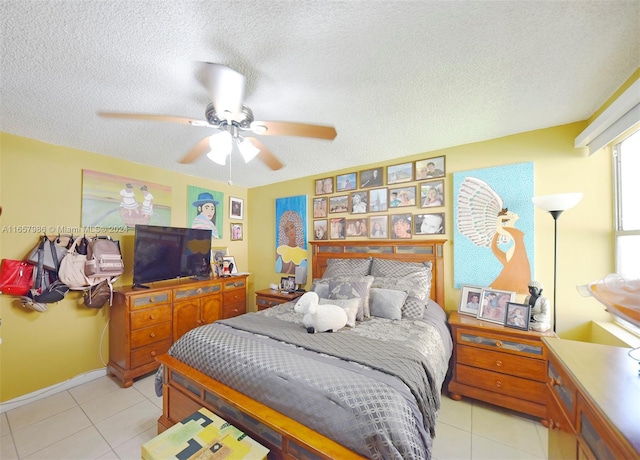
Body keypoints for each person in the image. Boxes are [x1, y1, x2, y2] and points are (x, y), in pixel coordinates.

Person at [490, 208, 532, 294]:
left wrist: (509, 217)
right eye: (511, 214)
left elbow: (515, 218)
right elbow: (499, 229)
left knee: (521, 269)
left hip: (519, 251)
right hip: (515, 251)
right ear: (508, 217)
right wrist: (500, 218)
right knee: (514, 268)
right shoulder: (506, 228)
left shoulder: (511, 227)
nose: (515, 214)